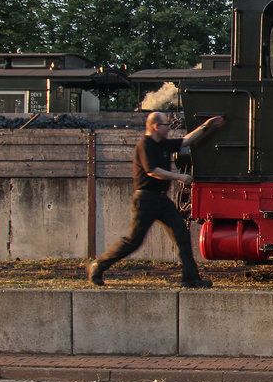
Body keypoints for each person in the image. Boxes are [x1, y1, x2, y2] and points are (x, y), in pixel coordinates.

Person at [87, 111, 225, 288]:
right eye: (166, 126)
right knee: (133, 241)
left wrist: (207, 125)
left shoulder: (163, 144)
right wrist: (179, 177)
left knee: (181, 233)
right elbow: (152, 170)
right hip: (145, 199)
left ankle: (190, 279)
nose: (168, 129)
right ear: (156, 127)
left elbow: (186, 141)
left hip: (161, 199)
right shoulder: (145, 145)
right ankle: (98, 265)